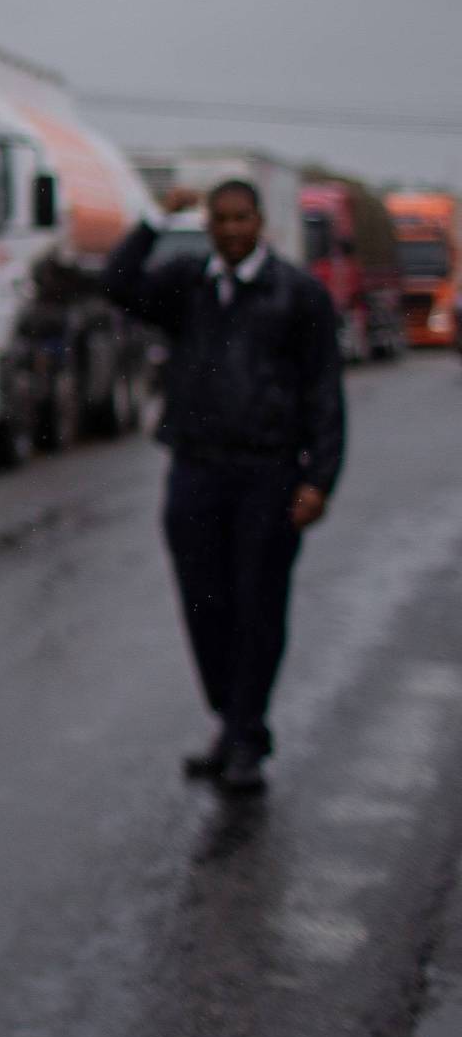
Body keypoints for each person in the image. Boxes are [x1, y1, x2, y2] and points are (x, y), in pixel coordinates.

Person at [102, 179, 345, 796]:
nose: (233, 229)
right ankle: (232, 723)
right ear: (208, 223)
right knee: (204, 606)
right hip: (195, 470)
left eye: (243, 218)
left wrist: (320, 479)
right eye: (222, 219)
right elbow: (118, 284)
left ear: (260, 221)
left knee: (258, 606)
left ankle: (245, 734)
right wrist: (156, 218)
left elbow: (324, 391)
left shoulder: (300, 294)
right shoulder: (188, 285)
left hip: (269, 474)